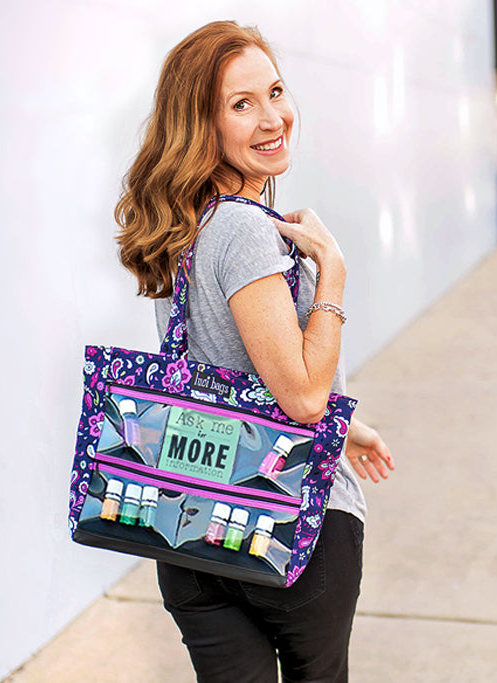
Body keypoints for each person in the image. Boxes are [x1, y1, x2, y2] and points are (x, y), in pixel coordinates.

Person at [113, 21, 396, 681]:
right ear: (201, 124)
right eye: (242, 104)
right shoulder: (244, 229)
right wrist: (333, 272)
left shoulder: (186, 225)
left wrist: (344, 426)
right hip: (291, 523)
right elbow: (299, 396)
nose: (273, 117)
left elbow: (224, 373)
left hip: (187, 532)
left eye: (274, 91)